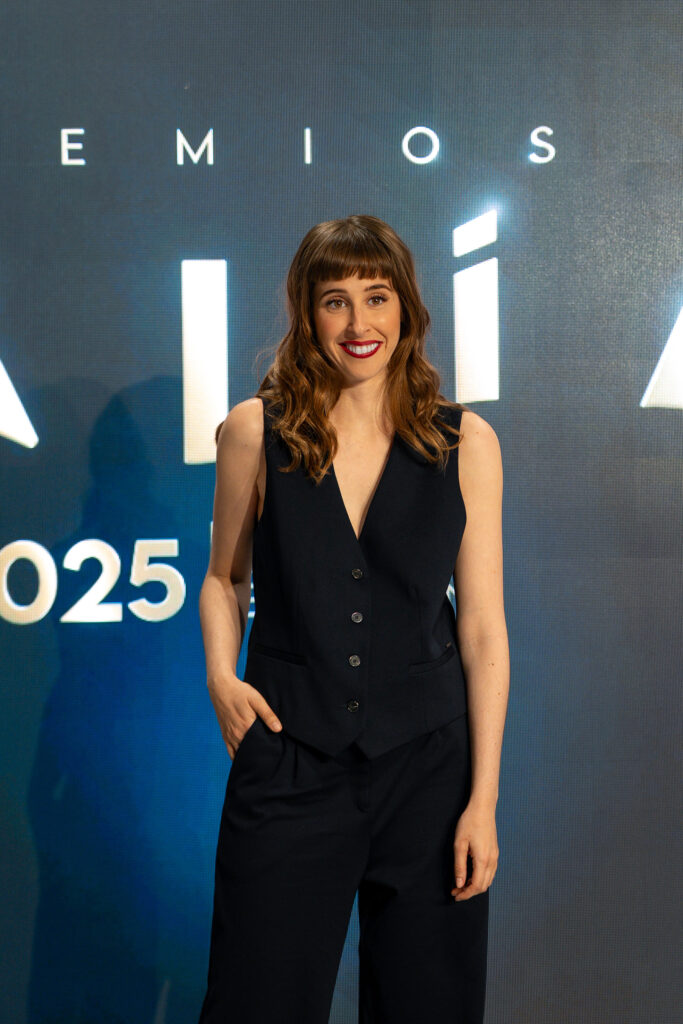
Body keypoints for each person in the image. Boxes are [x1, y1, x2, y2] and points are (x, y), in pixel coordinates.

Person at [197, 214, 509, 1023]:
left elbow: (481, 630)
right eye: (335, 300)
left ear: (406, 307)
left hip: (430, 772)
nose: (358, 322)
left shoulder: (465, 442)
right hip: (289, 760)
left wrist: (481, 800)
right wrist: (221, 678)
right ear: (307, 314)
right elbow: (224, 579)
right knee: (255, 1003)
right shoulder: (254, 430)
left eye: (376, 297)